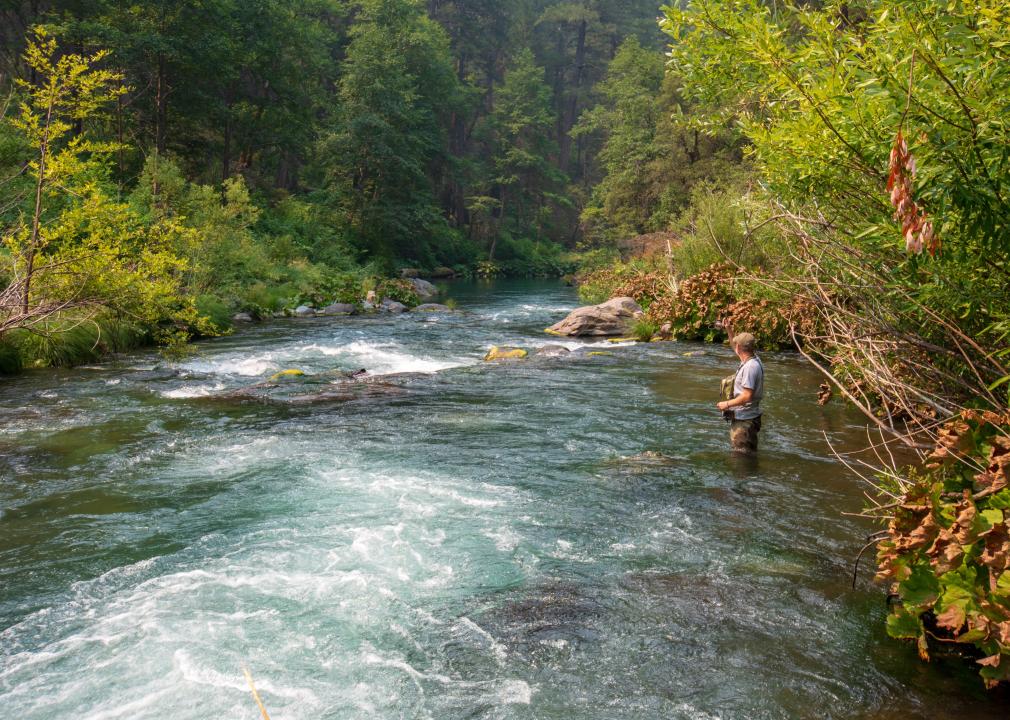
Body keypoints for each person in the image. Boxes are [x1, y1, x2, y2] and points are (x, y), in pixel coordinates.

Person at [716, 332, 764, 452]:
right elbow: (735, 346)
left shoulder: (750, 367)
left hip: (744, 422)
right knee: (747, 457)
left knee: (741, 459)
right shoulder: (753, 359)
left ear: (739, 347)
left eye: (736, 344)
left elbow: (747, 396)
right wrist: (728, 329)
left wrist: (726, 404)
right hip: (748, 417)